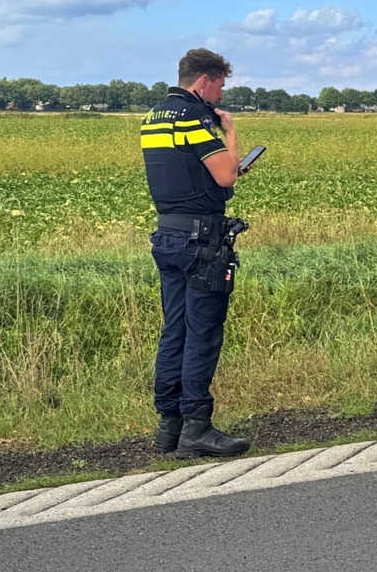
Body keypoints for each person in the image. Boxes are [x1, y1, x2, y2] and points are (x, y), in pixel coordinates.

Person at [141, 48, 252, 458]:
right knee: (203, 333)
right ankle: (197, 428)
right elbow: (225, 174)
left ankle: (168, 427)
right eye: (220, 86)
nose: (220, 96)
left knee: (175, 330)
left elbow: (186, 172)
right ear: (203, 80)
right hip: (200, 241)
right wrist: (232, 136)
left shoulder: (153, 117)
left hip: (167, 235)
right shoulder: (194, 116)